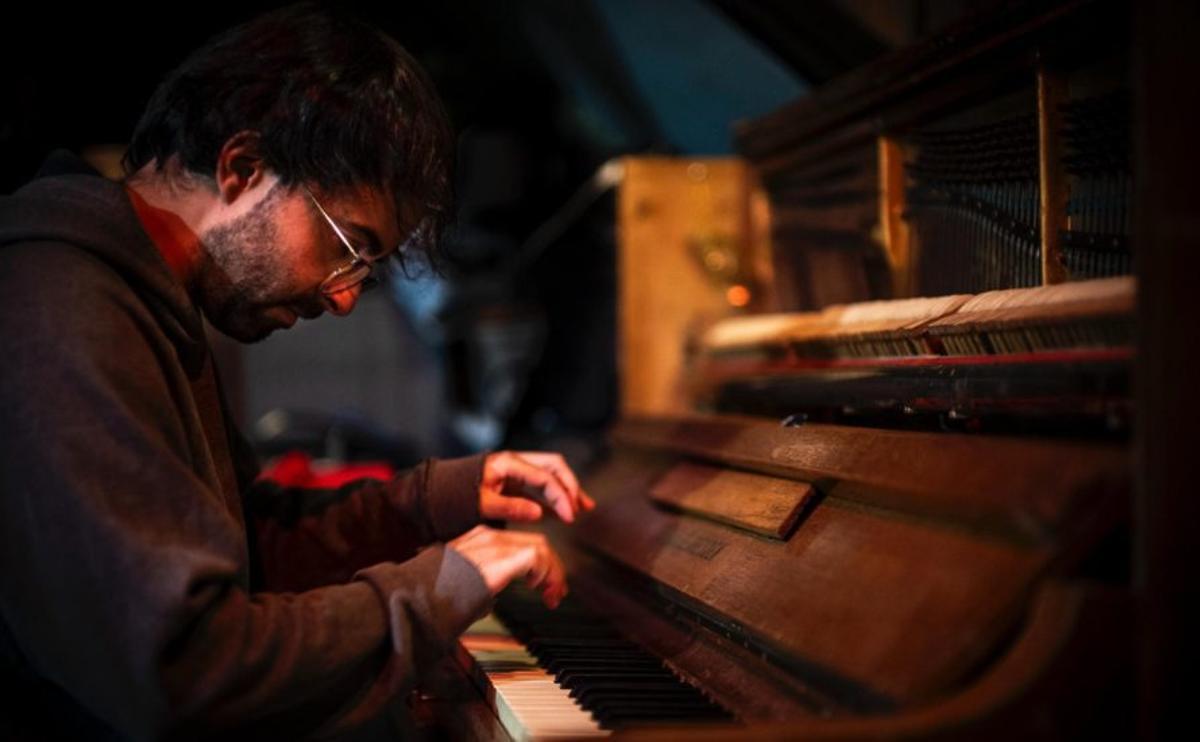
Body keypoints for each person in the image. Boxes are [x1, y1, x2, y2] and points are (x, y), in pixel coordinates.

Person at [0, 3, 593, 739]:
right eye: (349, 243)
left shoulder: (144, 298)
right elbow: (185, 668)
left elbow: (255, 551)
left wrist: (436, 500)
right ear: (243, 168)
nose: (345, 296)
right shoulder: (65, 310)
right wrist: (434, 589)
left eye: (365, 269)